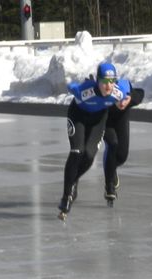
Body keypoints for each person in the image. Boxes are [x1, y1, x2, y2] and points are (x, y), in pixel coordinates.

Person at [58, 62, 130, 219]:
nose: (108, 86)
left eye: (111, 81)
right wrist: (74, 84)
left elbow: (126, 85)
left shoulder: (118, 92)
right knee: (77, 151)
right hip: (78, 116)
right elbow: (71, 86)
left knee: (89, 156)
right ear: (98, 80)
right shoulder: (85, 91)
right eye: (104, 81)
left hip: (98, 121)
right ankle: (67, 196)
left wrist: (128, 97)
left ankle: (73, 180)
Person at [102, 84, 145, 205]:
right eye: (118, 99)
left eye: (125, 100)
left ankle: (112, 167)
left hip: (121, 121)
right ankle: (109, 186)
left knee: (122, 156)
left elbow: (141, 91)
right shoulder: (105, 97)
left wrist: (131, 96)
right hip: (105, 121)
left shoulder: (134, 98)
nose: (122, 103)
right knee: (112, 144)